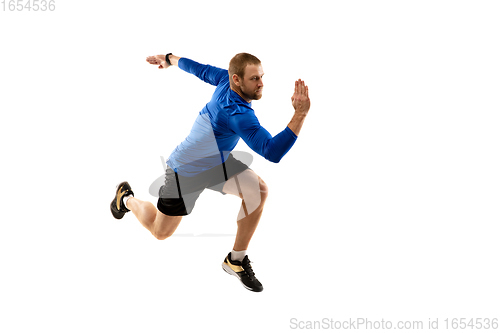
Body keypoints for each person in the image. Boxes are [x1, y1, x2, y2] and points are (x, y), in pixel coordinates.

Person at [110, 53, 310, 292]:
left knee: (258, 190)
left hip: (217, 162)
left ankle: (235, 260)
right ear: (237, 79)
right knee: (159, 232)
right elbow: (271, 151)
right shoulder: (238, 114)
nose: (261, 83)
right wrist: (299, 114)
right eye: (254, 78)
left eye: (262, 77)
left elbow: (198, 68)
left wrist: (169, 58)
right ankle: (126, 199)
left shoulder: (225, 80)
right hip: (185, 171)